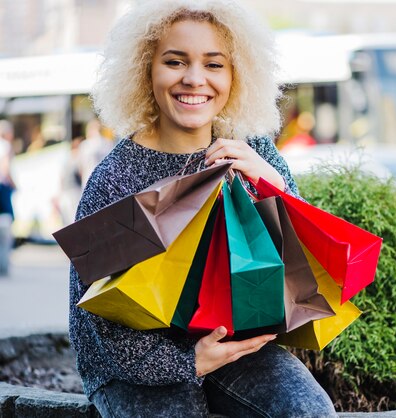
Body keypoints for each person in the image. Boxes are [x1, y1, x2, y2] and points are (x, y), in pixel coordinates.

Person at [70, 1, 337, 417]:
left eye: (214, 65)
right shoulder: (116, 179)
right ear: (146, 70)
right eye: (175, 61)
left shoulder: (255, 149)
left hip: (229, 337)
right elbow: (100, 319)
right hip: (133, 361)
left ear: (236, 75)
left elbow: (302, 258)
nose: (194, 79)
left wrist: (275, 184)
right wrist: (187, 362)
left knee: (309, 410)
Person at [76, 119, 115, 188]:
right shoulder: (108, 143)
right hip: (104, 179)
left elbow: (80, 167)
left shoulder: (85, 145)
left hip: (88, 179)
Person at [0, 120, 16, 276]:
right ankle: (3, 264)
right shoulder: (5, 146)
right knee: (6, 225)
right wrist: (14, 184)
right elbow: (5, 168)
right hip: (2, 189)